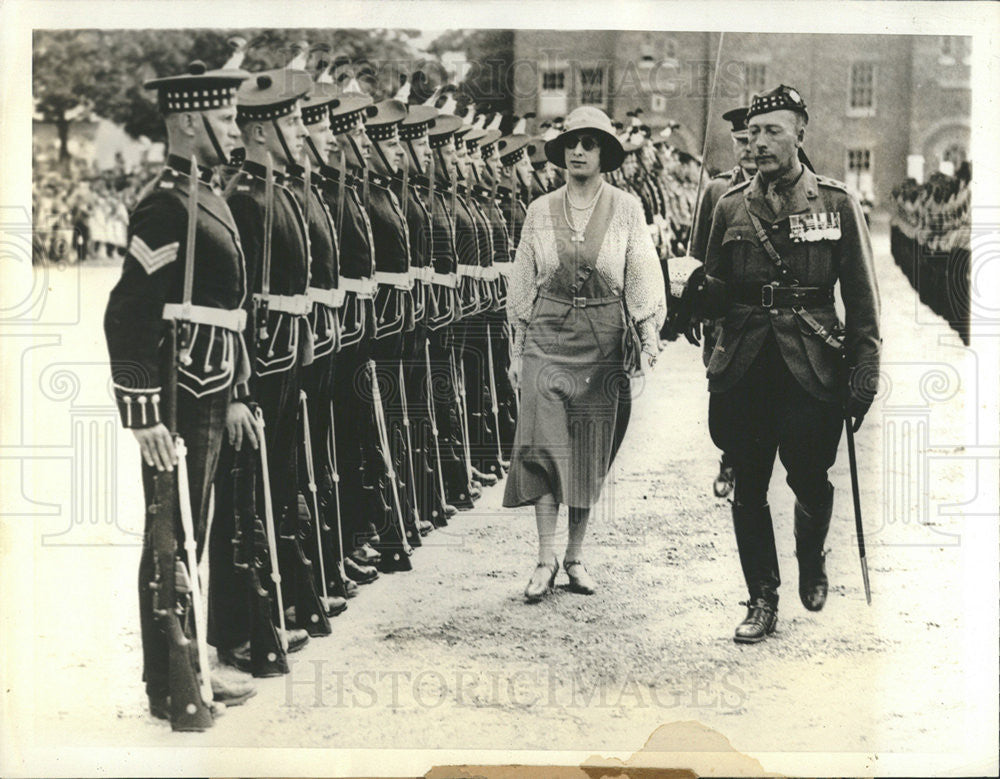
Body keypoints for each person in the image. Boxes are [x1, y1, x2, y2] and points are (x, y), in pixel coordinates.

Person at [103, 60, 257, 729]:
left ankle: (189, 659)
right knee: (168, 534)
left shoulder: (208, 192)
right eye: (224, 118)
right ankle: (169, 683)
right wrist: (141, 412)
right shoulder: (164, 204)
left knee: (193, 531)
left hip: (212, 387)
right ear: (192, 120)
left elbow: (231, 306)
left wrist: (241, 391)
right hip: (174, 393)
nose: (233, 129)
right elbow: (128, 311)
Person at [697, 85, 880, 643]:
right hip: (747, 364)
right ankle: (762, 598)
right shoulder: (729, 205)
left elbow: (864, 302)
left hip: (811, 364)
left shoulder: (836, 203)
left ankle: (811, 555)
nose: (760, 142)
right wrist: (690, 291)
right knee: (749, 485)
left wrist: (863, 378)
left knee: (809, 478)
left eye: (774, 130)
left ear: (801, 132)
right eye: (754, 133)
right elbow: (714, 293)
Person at [502, 106, 666, 602]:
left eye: (589, 144)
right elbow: (524, 278)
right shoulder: (538, 210)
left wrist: (648, 327)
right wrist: (517, 346)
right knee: (542, 445)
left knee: (588, 450)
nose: (578, 151)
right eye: (572, 142)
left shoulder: (627, 209)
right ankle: (544, 558)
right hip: (547, 335)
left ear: (604, 154)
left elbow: (640, 269)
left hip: (602, 337)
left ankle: (575, 557)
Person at [688, 105, 758, 499]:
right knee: (727, 389)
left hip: (759, 310)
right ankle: (731, 455)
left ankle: (748, 459)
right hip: (725, 311)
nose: (748, 150)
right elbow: (699, 255)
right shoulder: (717, 190)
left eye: (753, 140)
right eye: (741, 142)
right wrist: (694, 308)